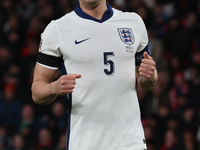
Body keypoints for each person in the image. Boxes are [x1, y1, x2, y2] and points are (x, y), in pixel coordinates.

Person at [31, 0, 158, 150]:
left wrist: (150, 76)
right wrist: (54, 88)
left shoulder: (133, 22)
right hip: (86, 143)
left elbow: (145, 81)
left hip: (130, 141)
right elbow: (37, 91)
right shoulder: (57, 29)